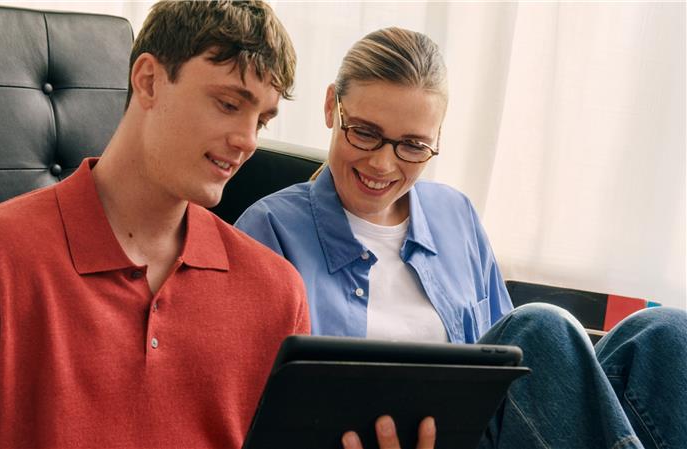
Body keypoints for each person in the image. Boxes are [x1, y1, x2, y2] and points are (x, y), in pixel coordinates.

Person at [236, 27, 687, 449]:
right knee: (543, 326)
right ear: (332, 106)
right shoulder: (268, 231)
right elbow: (250, 409)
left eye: (412, 145)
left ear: (437, 138)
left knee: (667, 332)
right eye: (366, 133)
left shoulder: (456, 215)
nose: (383, 165)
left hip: (484, 430)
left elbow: (514, 370)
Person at [0, 2, 313, 448]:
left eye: (261, 121)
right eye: (229, 104)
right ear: (148, 80)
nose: (247, 140)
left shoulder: (278, 293)